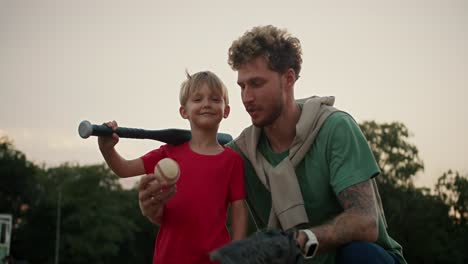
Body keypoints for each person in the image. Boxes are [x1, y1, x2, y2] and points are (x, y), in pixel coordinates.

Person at [140, 25, 406, 264]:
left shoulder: (335, 128)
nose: (247, 97)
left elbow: (365, 222)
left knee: (360, 254)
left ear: (288, 79)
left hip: (361, 260)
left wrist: (297, 242)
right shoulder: (238, 154)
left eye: (256, 83)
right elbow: (201, 218)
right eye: (242, 86)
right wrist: (158, 211)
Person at [99, 71, 248, 264]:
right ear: (183, 111)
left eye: (214, 99)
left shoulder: (232, 160)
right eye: (197, 99)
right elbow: (124, 169)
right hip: (170, 257)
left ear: (226, 110)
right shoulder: (168, 154)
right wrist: (107, 149)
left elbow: (239, 209)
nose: (206, 104)